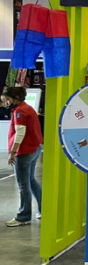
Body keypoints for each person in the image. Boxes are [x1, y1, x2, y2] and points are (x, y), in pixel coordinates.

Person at [2, 86, 43, 227]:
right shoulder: (27, 108)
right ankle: (43, 209)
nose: (6, 103)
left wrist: (12, 153)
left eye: (8, 100)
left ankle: (23, 216)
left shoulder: (20, 112)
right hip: (34, 149)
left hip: (24, 152)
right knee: (31, 180)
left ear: (16, 98)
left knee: (23, 185)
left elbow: (20, 133)